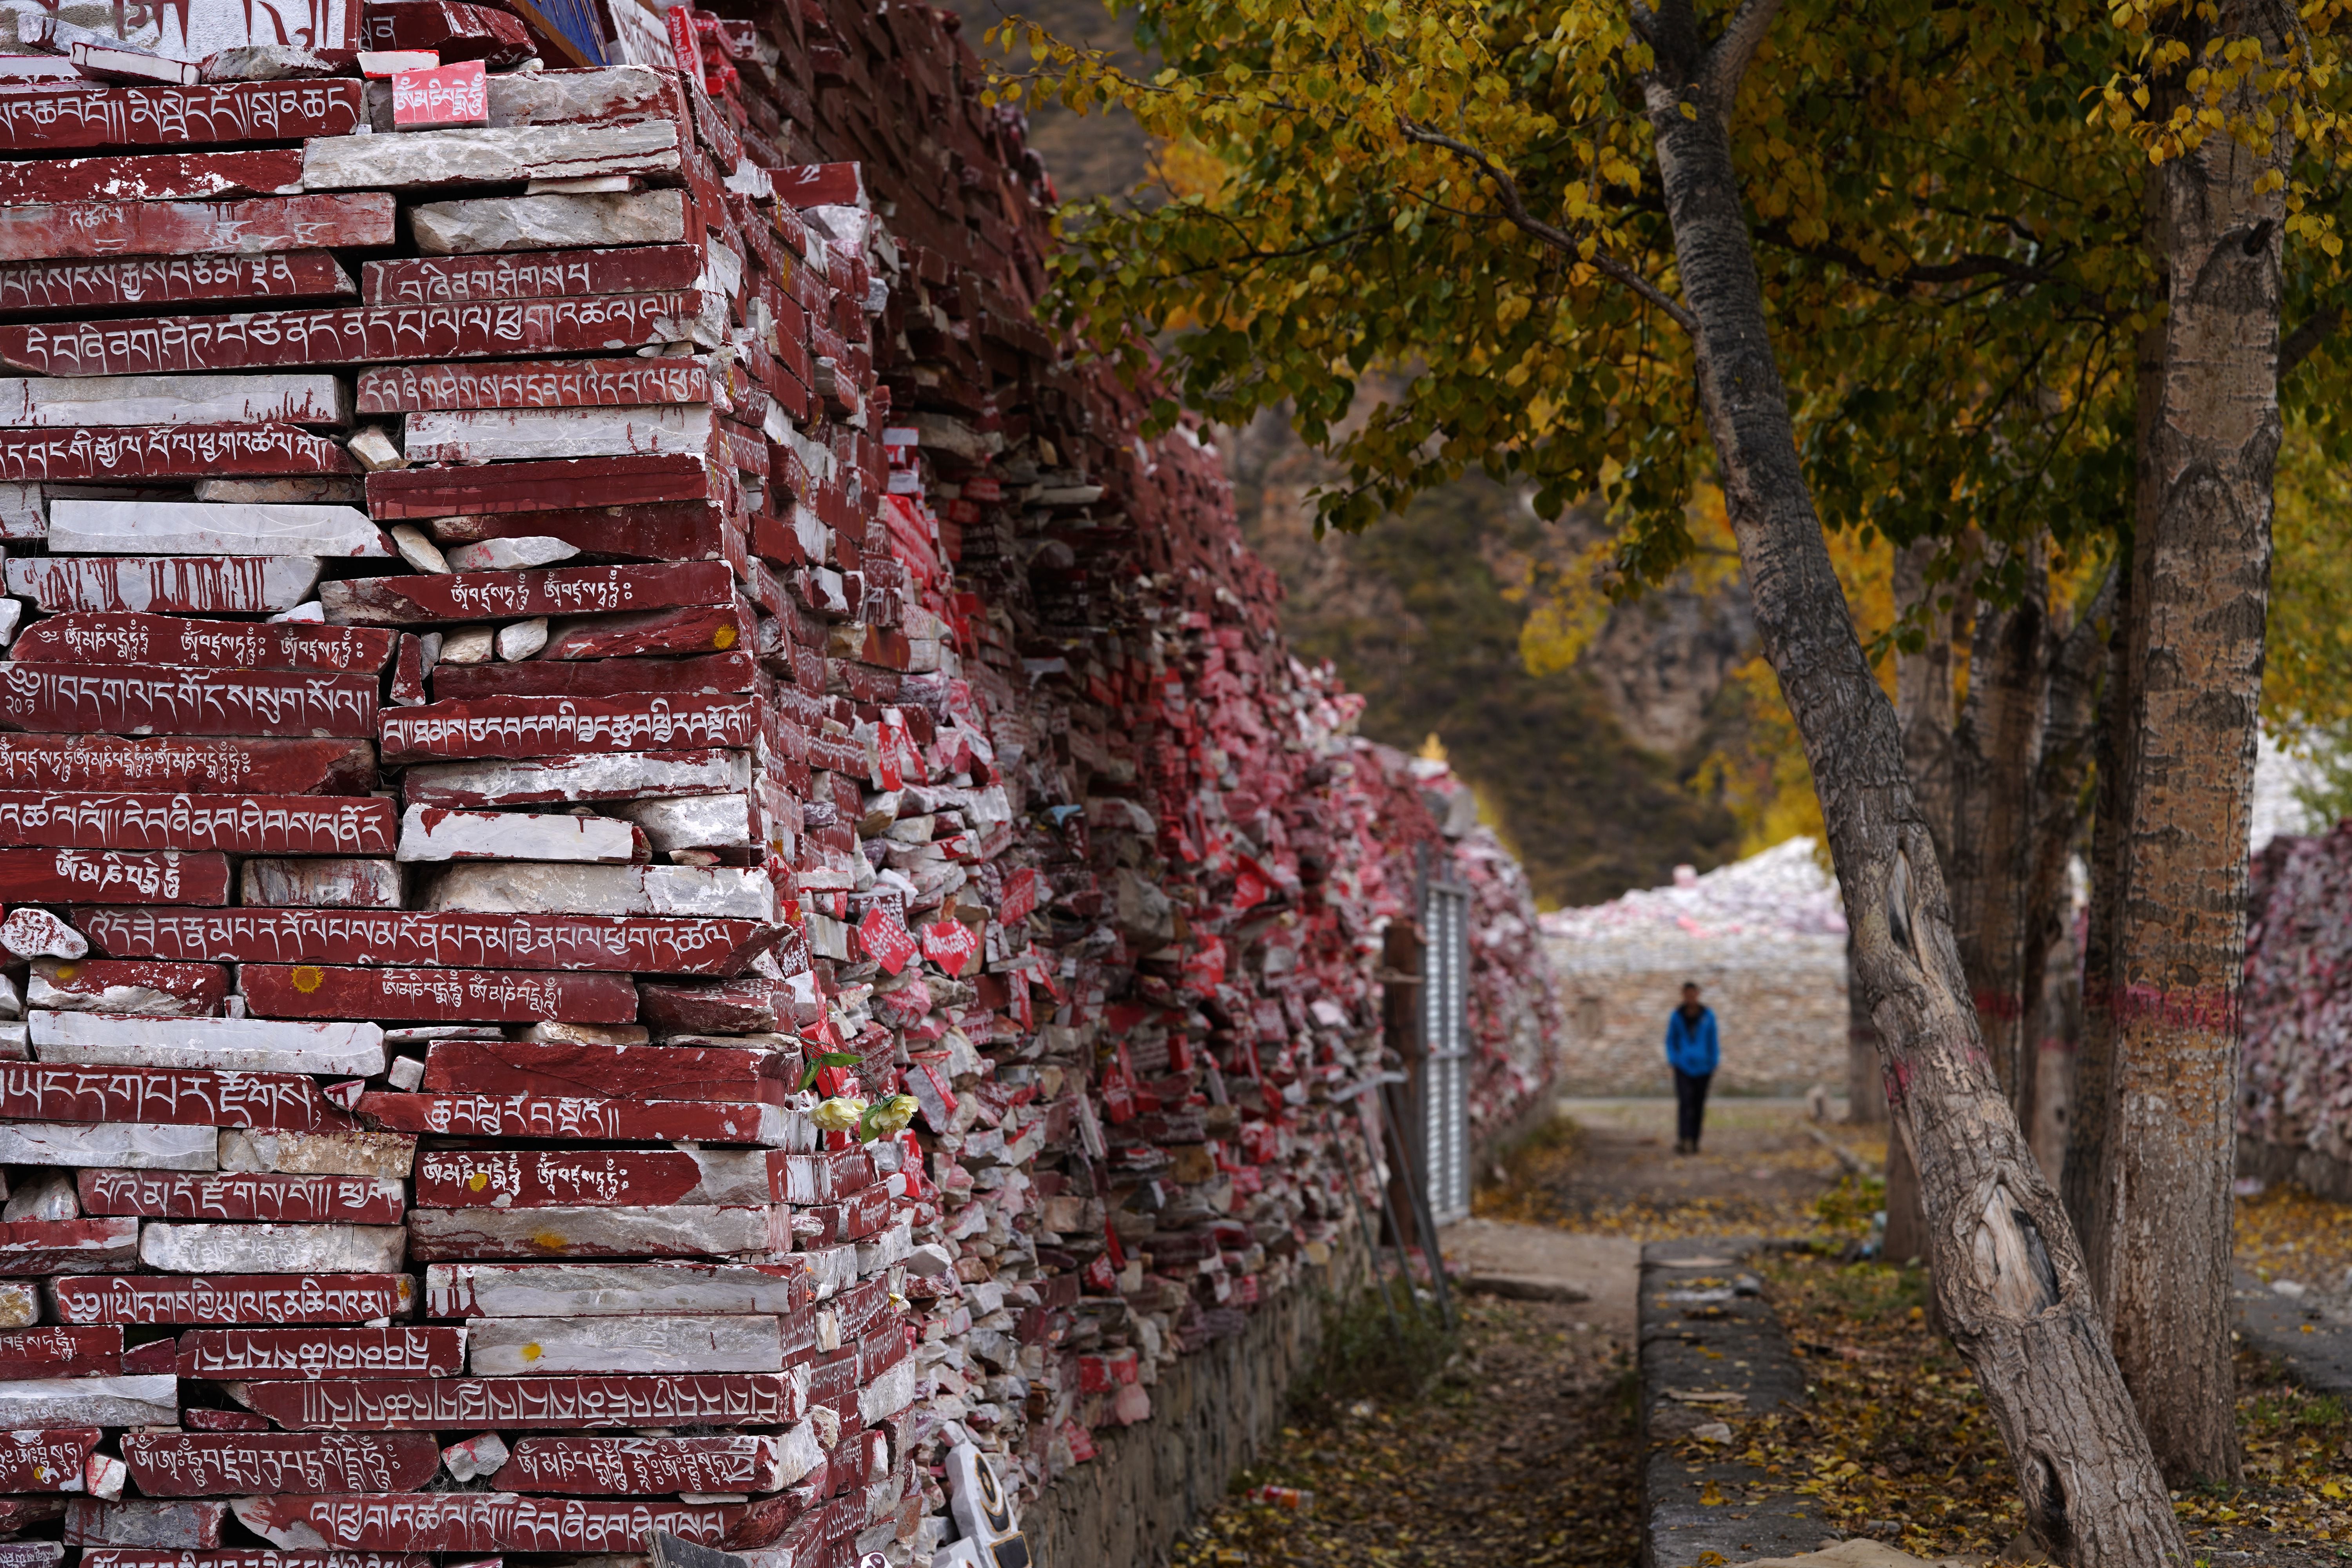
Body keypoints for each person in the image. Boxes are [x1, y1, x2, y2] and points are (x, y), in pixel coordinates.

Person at [1664, 981, 1719, 1155]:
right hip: (1684, 1067)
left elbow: (1713, 1040)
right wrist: (1674, 1060)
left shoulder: (1708, 1016)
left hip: (1704, 1068)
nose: (1691, 997)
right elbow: (1671, 1040)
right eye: (1687, 993)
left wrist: (1713, 1061)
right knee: (1685, 1102)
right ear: (1683, 995)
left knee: (1698, 1104)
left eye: (1693, 993)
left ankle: (1695, 1140)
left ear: (1697, 994)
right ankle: (1683, 1138)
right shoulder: (1677, 1016)